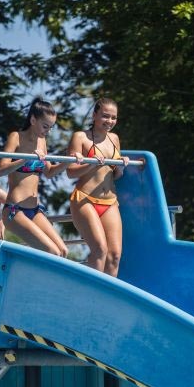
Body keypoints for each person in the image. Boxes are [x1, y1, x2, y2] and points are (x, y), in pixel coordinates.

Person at [0, 98, 83, 256]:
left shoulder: (42, 141)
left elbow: (49, 172)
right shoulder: (16, 137)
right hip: (15, 211)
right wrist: (26, 158)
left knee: (63, 251)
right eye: (45, 126)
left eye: (51, 128)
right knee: (52, 251)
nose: (48, 131)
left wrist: (68, 160)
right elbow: (1, 170)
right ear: (32, 120)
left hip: (35, 209)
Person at [66, 98, 129, 277]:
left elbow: (114, 175)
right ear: (94, 115)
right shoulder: (80, 137)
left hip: (109, 201)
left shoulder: (114, 139)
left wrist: (120, 168)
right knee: (100, 249)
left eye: (114, 117)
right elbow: (70, 172)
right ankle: (88, 291)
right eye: (105, 116)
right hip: (84, 199)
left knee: (114, 256)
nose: (110, 121)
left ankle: (105, 294)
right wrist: (91, 164)